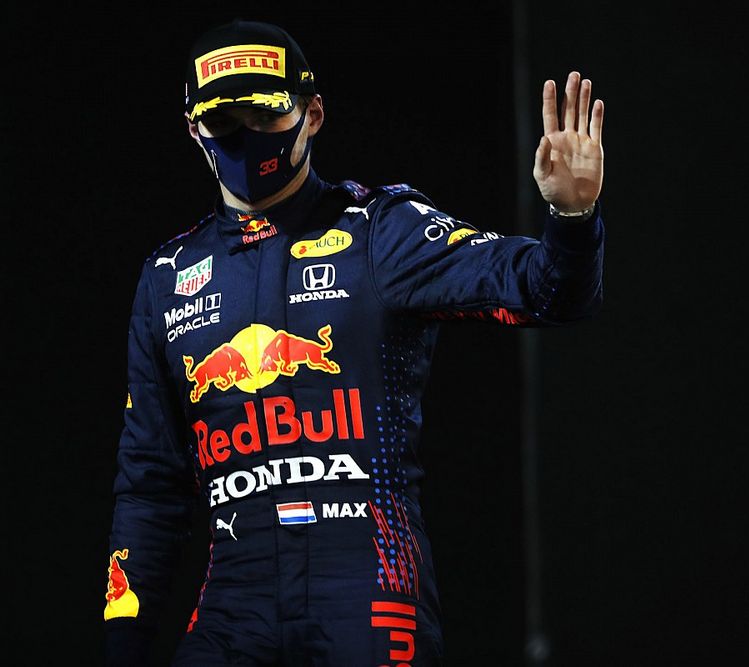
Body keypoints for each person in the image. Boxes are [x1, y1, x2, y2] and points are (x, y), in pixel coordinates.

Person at [103, 18, 605, 666]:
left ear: (312, 114)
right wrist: (124, 643)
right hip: (234, 604)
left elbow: (547, 293)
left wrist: (573, 216)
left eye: (263, 113)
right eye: (223, 120)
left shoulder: (378, 231)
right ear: (192, 127)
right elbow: (149, 485)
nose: (245, 136)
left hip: (366, 596)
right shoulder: (168, 277)